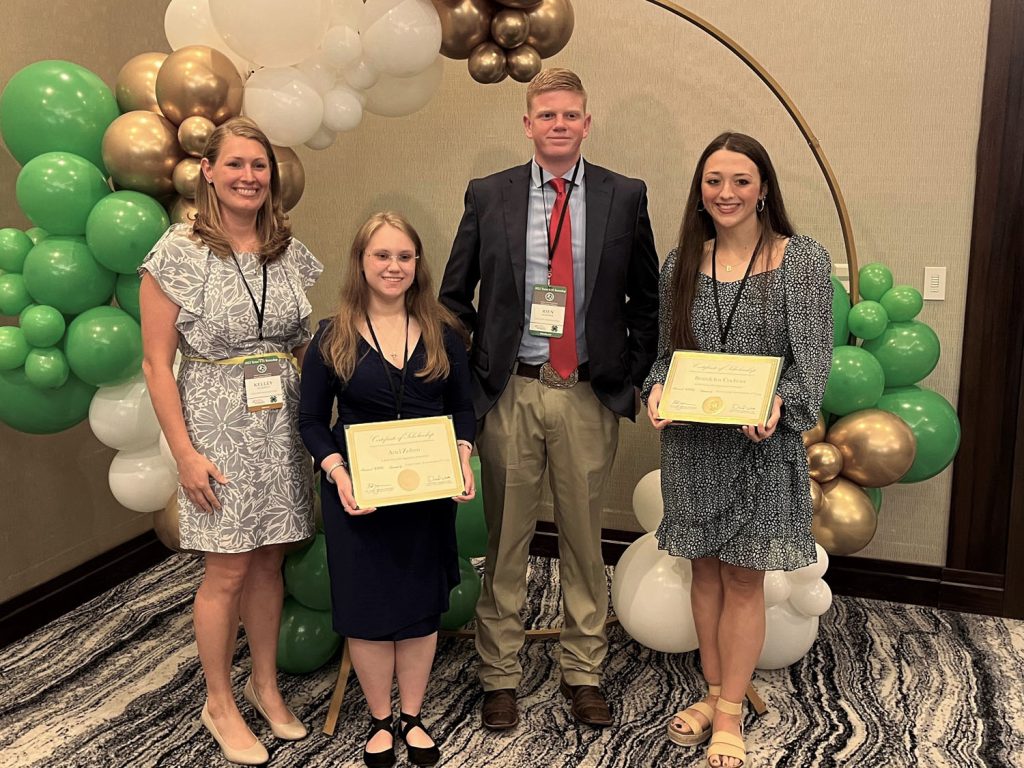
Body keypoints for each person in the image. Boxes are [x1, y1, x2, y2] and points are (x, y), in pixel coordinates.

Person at [439, 68, 659, 730]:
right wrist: (475, 375)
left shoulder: (624, 195)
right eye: (547, 115)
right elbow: (454, 297)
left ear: (586, 124)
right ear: (527, 124)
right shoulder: (490, 194)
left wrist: (633, 370)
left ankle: (583, 670)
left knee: (584, 540)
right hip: (514, 391)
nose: (559, 125)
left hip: (587, 394)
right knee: (507, 538)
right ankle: (499, 673)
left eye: (571, 115)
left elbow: (646, 298)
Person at [642, 132, 833, 768]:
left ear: (764, 189)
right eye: (714, 180)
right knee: (703, 571)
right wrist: (655, 390)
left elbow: (812, 359)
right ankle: (718, 690)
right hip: (694, 448)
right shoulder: (681, 261)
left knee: (744, 578)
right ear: (700, 190)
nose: (726, 193)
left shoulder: (800, 259)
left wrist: (781, 406)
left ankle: (727, 718)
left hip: (760, 448)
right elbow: (665, 355)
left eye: (740, 181)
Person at [140, 117, 321, 765]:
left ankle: (265, 685)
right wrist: (185, 453)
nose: (250, 177)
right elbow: (157, 365)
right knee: (227, 569)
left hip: (281, 429)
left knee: (270, 560)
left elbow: (306, 344)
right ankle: (219, 703)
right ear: (208, 172)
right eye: (237, 164)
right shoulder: (177, 254)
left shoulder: (286, 250)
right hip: (216, 426)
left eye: (260, 166)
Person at [298, 211, 476, 768]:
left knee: (420, 610)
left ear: (417, 264)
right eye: (382, 256)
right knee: (370, 611)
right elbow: (309, 420)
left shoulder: (445, 330)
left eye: (404, 256)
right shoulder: (332, 334)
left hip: (425, 496)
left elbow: (463, 409)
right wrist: (338, 472)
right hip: (361, 494)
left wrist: (463, 457)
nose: (393, 266)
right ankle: (379, 719)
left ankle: (414, 716)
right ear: (361, 262)